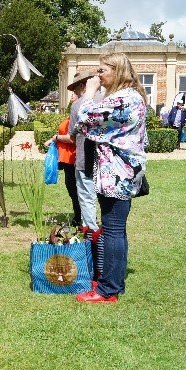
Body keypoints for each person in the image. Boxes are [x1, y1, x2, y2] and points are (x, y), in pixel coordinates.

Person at [75, 53, 147, 304]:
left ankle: (108, 290)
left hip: (117, 174)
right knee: (117, 229)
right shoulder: (130, 97)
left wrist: (89, 91)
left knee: (113, 230)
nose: (98, 75)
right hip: (123, 172)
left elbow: (84, 117)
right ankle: (115, 282)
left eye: (102, 70)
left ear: (117, 71)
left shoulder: (123, 99)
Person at [68, 70, 102, 279]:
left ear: (82, 86)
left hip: (84, 159)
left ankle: (92, 246)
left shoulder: (78, 105)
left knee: (87, 200)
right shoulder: (107, 101)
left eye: (76, 88)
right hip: (107, 163)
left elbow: (72, 135)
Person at [44, 97, 79, 226]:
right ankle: (79, 216)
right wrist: (53, 139)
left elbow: (73, 138)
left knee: (75, 189)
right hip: (67, 159)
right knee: (72, 189)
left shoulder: (79, 113)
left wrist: (56, 138)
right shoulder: (73, 113)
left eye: (74, 92)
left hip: (73, 158)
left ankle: (79, 218)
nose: (71, 95)